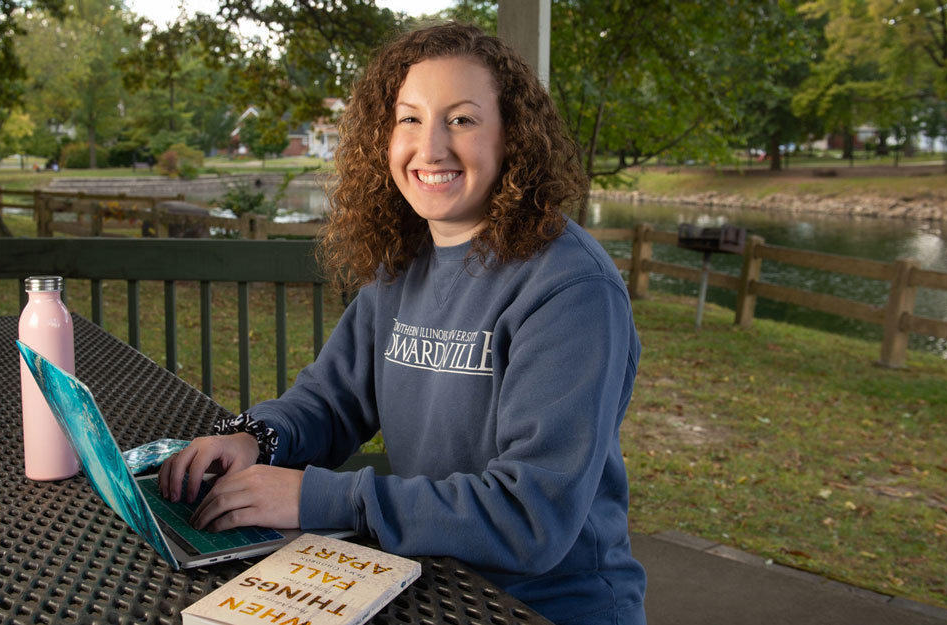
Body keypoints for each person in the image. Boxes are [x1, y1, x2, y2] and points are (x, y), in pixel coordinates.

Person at [159, 22, 646, 625]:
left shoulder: (571, 289)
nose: (431, 147)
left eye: (462, 120)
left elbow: (531, 518)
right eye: (409, 119)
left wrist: (318, 497)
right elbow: (332, 401)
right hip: (429, 580)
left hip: (546, 606)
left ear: (513, 138)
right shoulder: (403, 264)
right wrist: (255, 438)